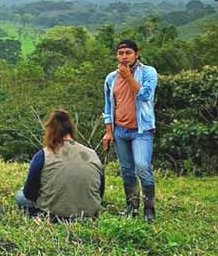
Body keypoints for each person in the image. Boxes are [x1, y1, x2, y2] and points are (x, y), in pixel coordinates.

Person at [101, 40, 158, 222]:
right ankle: (131, 208)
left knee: (142, 167)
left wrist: (128, 77)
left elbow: (145, 95)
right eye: (121, 53)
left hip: (141, 130)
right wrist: (109, 132)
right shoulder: (111, 78)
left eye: (128, 53)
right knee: (126, 170)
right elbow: (108, 107)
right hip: (120, 131)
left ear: (136, 54)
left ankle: (149, 209)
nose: (124, 56)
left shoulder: (148, 72)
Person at [15, 109, 104, 221]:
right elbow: (100, 191)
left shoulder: (43, 155)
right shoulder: (92, 154)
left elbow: (29, 193)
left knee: (20, 195)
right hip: (89, 216)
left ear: (50, 131)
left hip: (54, 216)